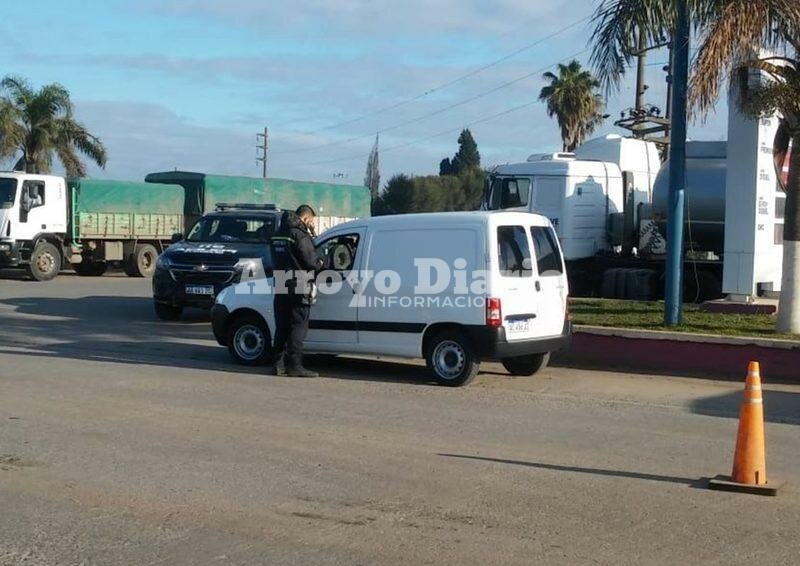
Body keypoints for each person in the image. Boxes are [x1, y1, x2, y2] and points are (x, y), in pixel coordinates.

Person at [271, 205, 323, 377]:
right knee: (298, 325)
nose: (312, 224)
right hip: (299, 283)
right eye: (312, 221)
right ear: (307, 218)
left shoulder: (278, 234)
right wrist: (323, 262)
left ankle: (278, 365)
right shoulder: (300, 235)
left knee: (282, 325)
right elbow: (311, 262)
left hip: (280, 281)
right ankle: (295, 366)